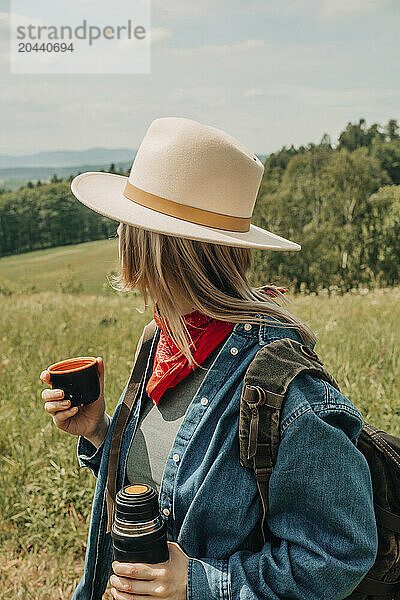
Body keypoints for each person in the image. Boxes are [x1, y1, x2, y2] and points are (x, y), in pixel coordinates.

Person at [40, 117, 378, 600]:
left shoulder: (288, 391)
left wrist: (198, 583)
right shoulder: (162, 339)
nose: (119, 235)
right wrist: (100, 431)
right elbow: (170, 486)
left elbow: (338, 554)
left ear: (157, 248)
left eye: (127, 225)